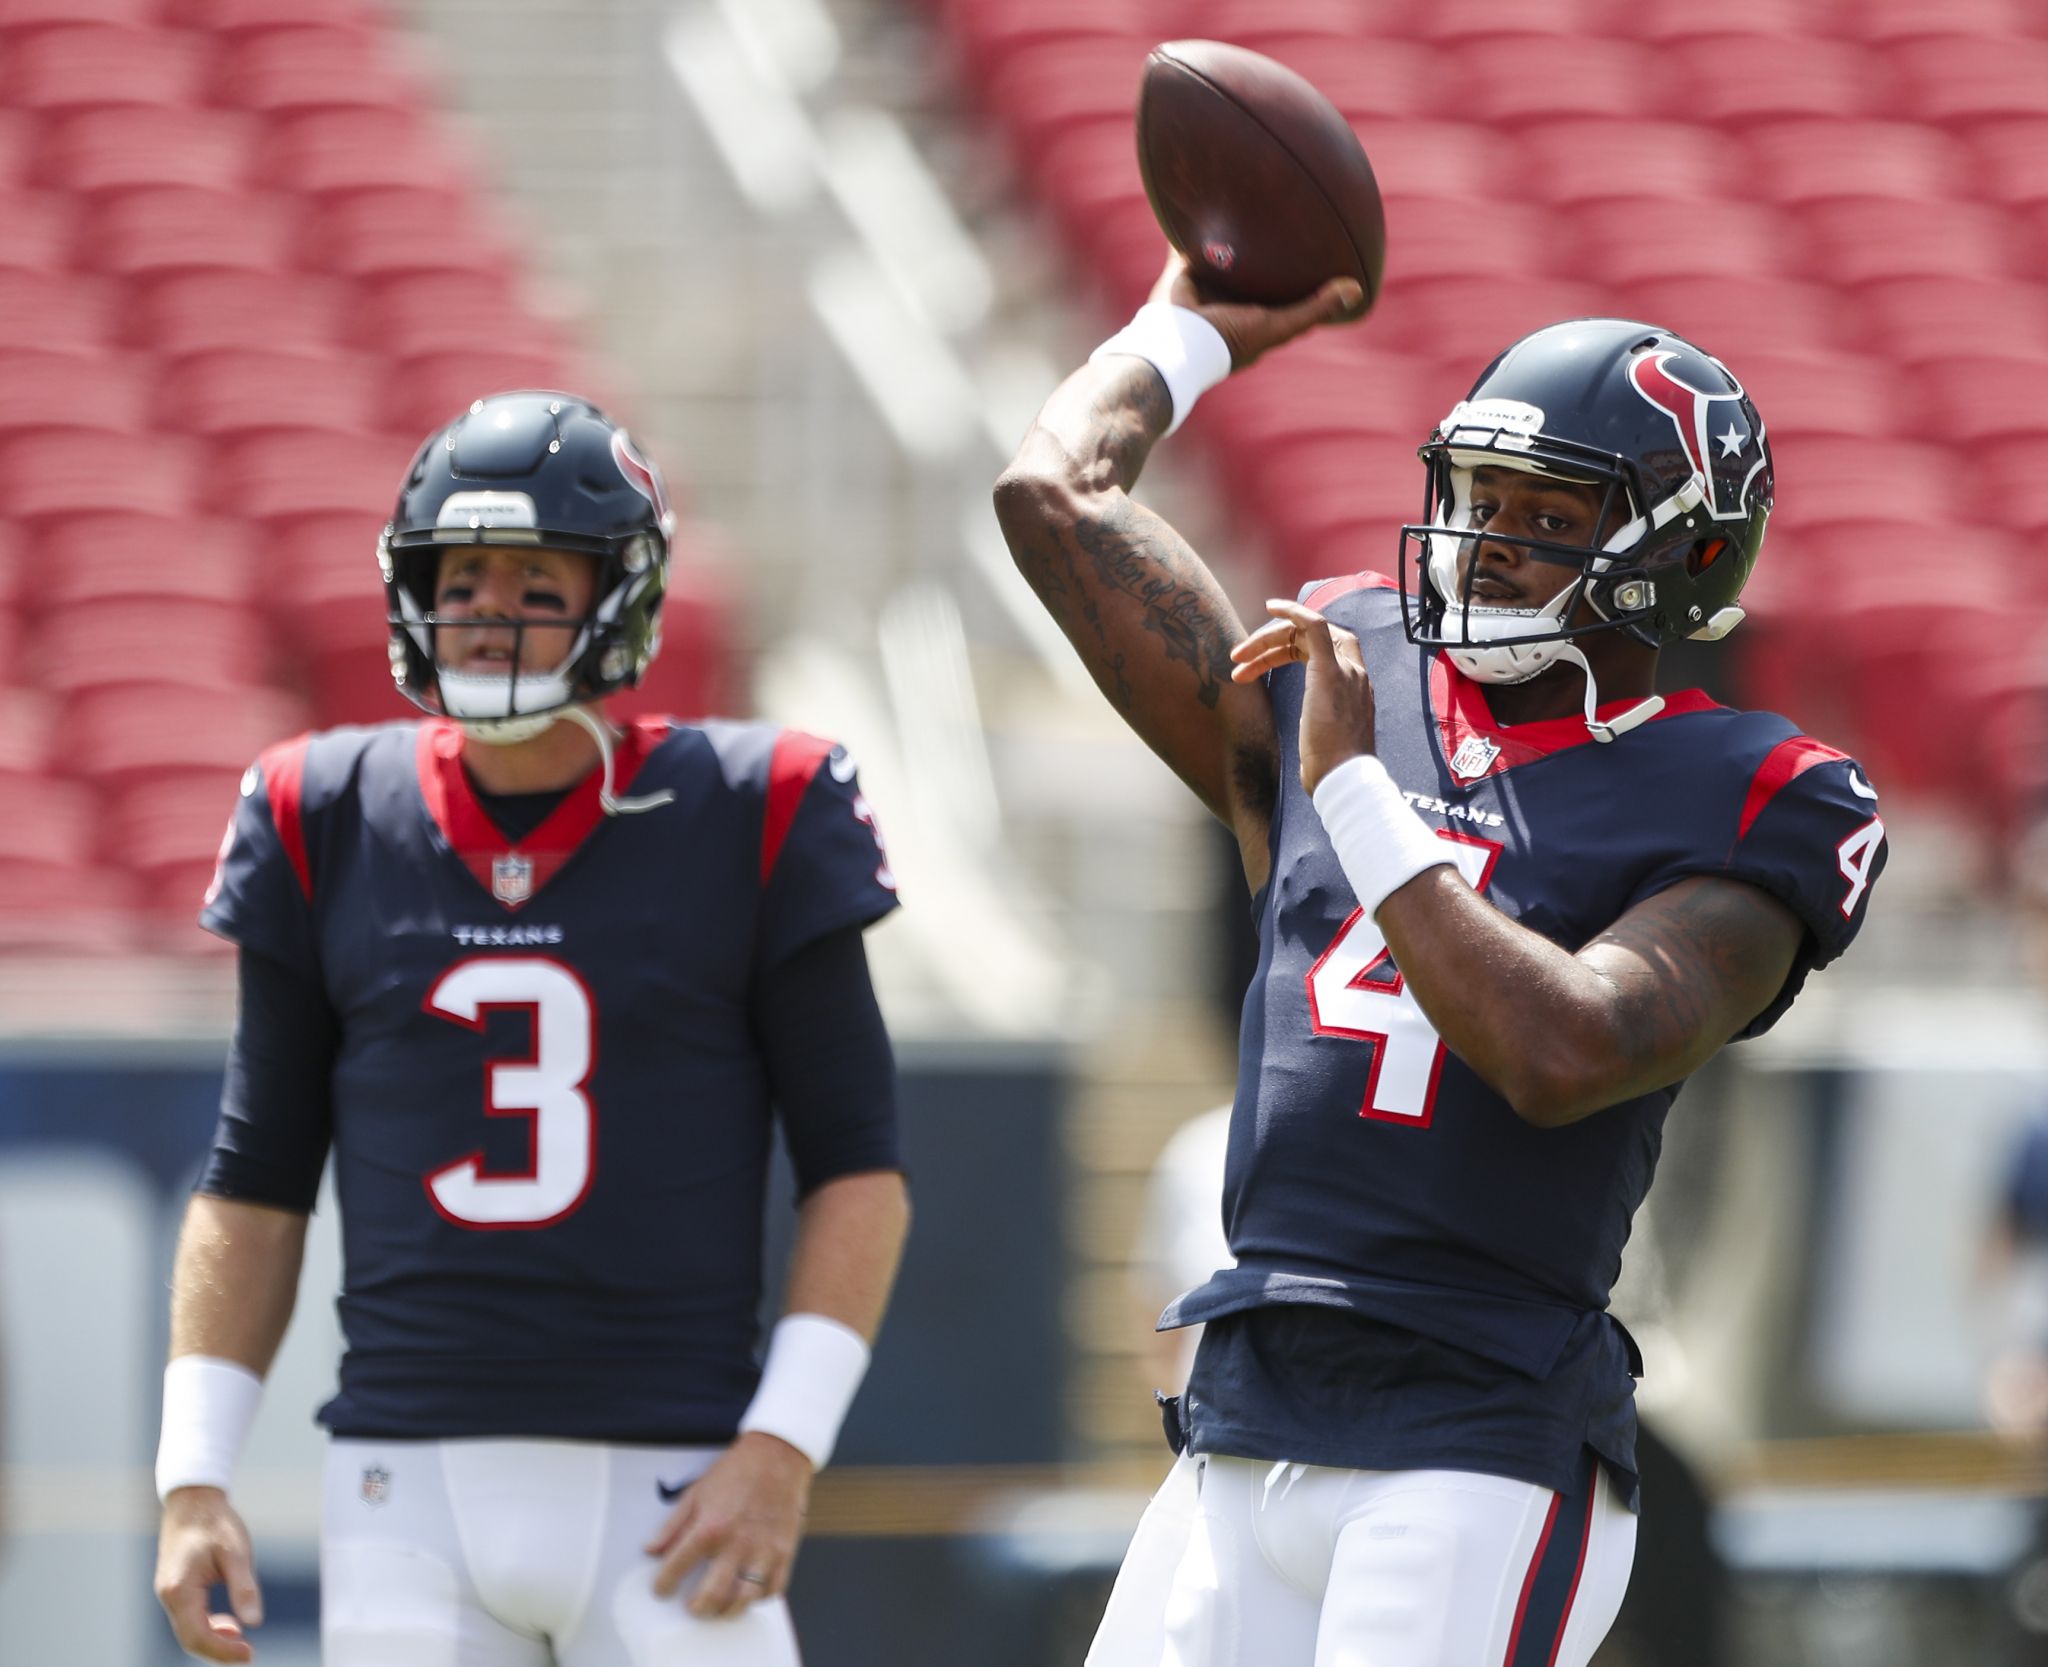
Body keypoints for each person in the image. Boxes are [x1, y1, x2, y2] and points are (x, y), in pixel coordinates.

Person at [994, 260, 1887, 1666]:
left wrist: (1354, 791)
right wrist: (1191, 329)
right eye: (1477, 499)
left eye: (1548, 517)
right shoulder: (1343, 664)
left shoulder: (1749, 787)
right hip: (1244, 1407)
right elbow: (1052, 498)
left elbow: (1565, 1049)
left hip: (1477, 1432)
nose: (1488, 543)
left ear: (1682, 552)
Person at [151, 392, 910, 1667]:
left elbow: (860, 1172)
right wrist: (192, 1470)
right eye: (463, 574)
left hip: (676, 1478)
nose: (489, 607)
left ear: (620, 594)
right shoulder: (318, 808)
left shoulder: (756, 805)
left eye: (533, 576)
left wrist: (783, 1443)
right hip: (404, 1485)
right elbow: (255, 1175)